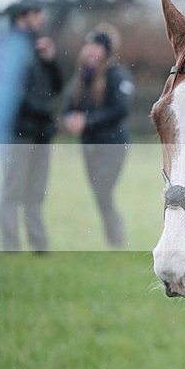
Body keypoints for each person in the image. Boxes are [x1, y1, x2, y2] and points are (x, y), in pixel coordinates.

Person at [0, 0, 64, 252]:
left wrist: (50, 60)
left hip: (41, 133)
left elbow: (57, 86)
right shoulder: (10, 48)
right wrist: (43, 110)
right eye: (37, 14)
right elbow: (14, 93)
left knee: (36, 191)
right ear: (22, 17)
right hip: (19, 132)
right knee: (13, 190)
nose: (41, 19)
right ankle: (11, 245)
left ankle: (38, 245)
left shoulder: (39, 48)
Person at [63, 24, 132, 247]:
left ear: (106, 50)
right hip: (89, 145)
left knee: (104, 191)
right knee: (100, 195)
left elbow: (120, 108)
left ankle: (116, 237)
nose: (91, 50)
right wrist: (69, 118)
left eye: (96, 46)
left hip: (112, 144)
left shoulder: (116, 74)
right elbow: (69, 103)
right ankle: (114, 236)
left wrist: (87, 121)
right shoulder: (82, 76)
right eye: (89, 45)